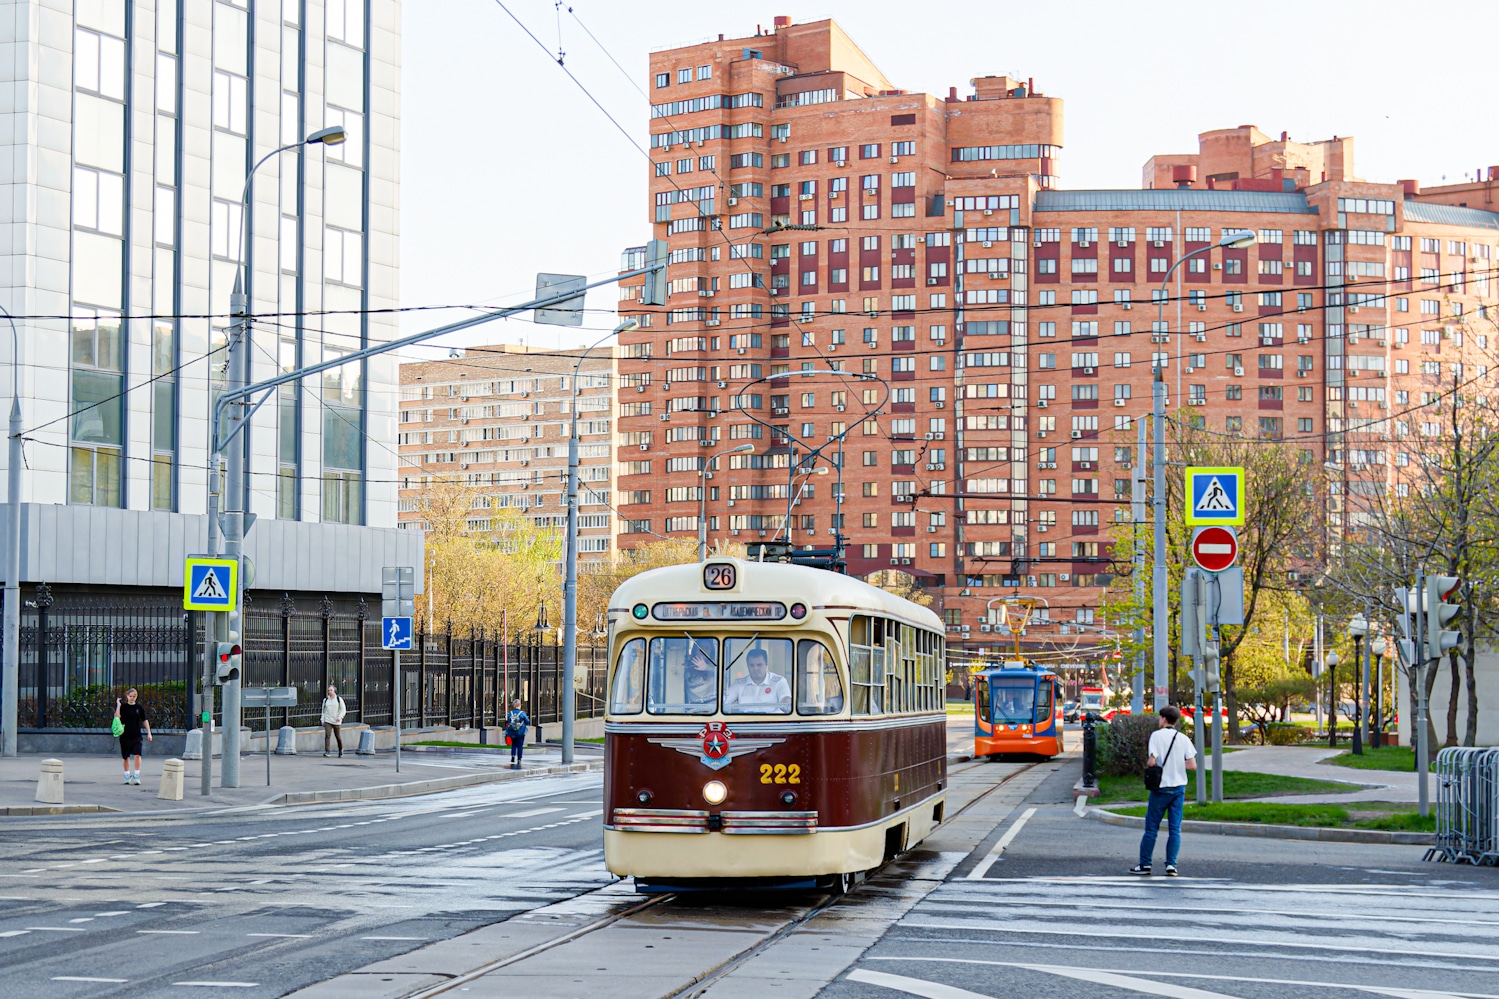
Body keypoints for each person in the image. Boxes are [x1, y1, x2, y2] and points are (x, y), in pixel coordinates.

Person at [1131, 704, 1197, 877]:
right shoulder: (1183, 738)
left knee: (1151, 828)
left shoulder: (1156, 736)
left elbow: (1152, 762)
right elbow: (1192, 765)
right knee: (1175, 829)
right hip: (1178, 789)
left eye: (1160, 718)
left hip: (1161, 788)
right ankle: (1171, 866)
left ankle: (1145, 864)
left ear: (1164, 719)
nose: (1159, 720)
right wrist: (1177, 764)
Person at [723, 648, 792, 712]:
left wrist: (787, 702)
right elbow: (723, 702)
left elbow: (785, 699)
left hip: (772, 721)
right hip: (746, 721)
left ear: (766, 664)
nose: (755, 668)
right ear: (747, 665)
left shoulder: (779, 681)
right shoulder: (739, 684)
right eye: (752, 665)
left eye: (759, 665)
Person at [114, 689, 151, 785]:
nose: (132, 698)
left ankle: (136, 775)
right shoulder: (123, 707)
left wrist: (149, 733)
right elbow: (117, 716)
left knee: (137, 754)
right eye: (130, 696)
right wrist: (118, 705)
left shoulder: (139, 708)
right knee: (125, 757)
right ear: (127, 696)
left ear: (136, 696)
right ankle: (127, 775)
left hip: (136, 735)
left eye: (134, 696)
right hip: (125, 735)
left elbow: (144, 720)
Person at [321, 685, 347, 758]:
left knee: (337, 736)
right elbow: (323, 711)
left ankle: (341, 749)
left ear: (334, 691)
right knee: (327, 735)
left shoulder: (339, 699)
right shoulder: (326, 700)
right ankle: (327, 751)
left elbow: (343, 710)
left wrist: (340, 717)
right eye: (329, 690)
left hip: (336, 721)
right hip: (328, 720)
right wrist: (322, 719)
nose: (330, 692)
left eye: (331, 690)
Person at [505, 698, 531, 769]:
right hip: (520, 732)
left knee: (513, 744)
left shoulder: (510, 713)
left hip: (512, 732)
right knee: (520, 745)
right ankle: (519, 759)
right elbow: (527, 721)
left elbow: (508, 721)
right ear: (519, 705)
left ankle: (513, 756)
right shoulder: (522, 713)